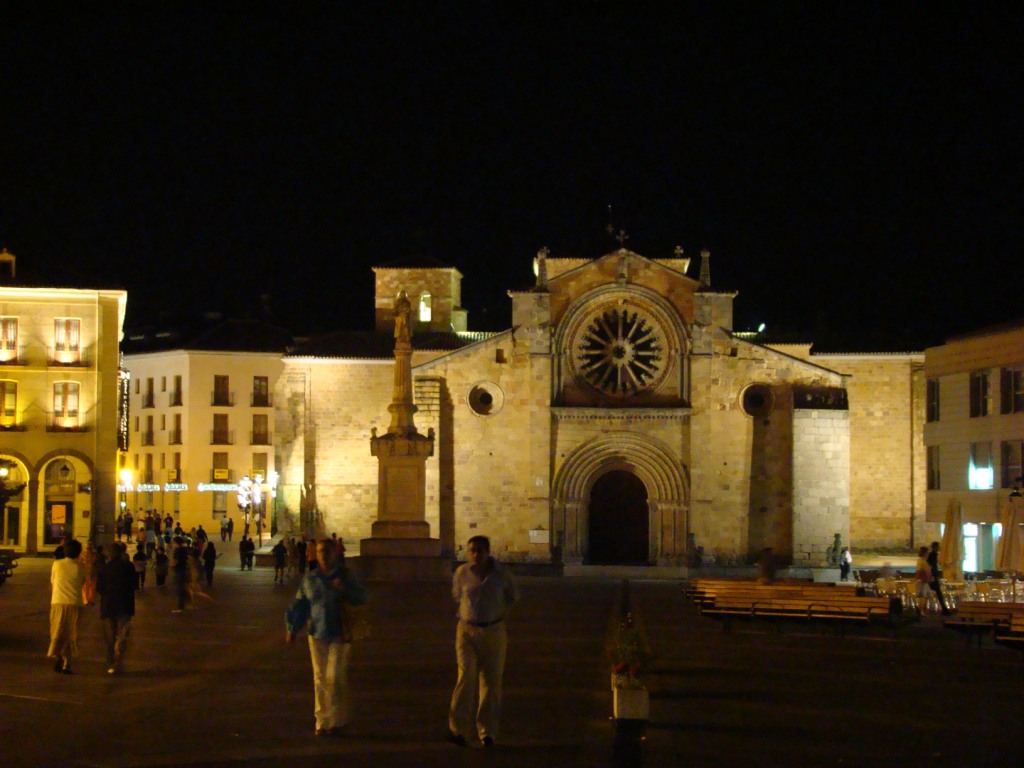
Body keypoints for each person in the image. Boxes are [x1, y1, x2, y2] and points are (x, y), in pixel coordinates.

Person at [286, 539, 368, 736]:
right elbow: (300, 603)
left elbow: (362, 597)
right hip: (316, 632)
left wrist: (344, 590)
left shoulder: (345, 575)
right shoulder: (311, 578)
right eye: (320, 551)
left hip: (340, 632)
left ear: (334, 554)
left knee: (334, 676)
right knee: (320, 678)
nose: (323, 555)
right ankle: (322, 721)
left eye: (327, 551)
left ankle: (337, 719)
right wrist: (292, 628)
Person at [448, 535, 519, 748]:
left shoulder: (502, 574)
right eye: (472, 550)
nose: (476, 554)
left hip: (494, 630)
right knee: (465, 676)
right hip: (467, 630)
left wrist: (498, 614)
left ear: (488, 551)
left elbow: (513, 596)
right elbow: (457, 596)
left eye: (480, 550)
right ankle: (458, 729)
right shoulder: (462, 573)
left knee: (491, 682)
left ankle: (487, 732)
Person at [97, 541, 136, 674]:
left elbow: (99, 588)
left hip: (108, 605)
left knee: (110, 636)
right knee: (122, 635)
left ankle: (111, 661)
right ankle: (118, 660)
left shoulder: (104, 568)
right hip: (125, 605)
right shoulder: (129, 567)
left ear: (109, 554)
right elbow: (134, 585)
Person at [49, 538, 85, 674]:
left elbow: (53, 583)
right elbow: (81, 583)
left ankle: (57, 655)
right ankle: (67, 664)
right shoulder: (79, 567)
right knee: (71, 634)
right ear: (78, 553)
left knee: (57, 632)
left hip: (58, 601)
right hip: (75, 603)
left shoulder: (56, 564)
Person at [927, 541, 951, 616]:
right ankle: (943, 609)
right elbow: (932, 566)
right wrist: (934, 574)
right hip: (932, 577)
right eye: (938, 547)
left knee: (937, 593)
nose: (939, 548)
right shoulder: (932, 555)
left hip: (932, 576)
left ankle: (943, 608)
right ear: (935, 547)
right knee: (938, 593)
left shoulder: (932, 555)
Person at [914, 545, 932, 611]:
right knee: (923, 596)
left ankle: (922, 610)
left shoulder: (920, 561)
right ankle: (921, 610)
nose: (928, 554)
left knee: (925, 595)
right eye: (927, 553)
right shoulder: (922, 562)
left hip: (922, 581)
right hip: (922, 581)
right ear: (925, 553)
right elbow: (923, 571)